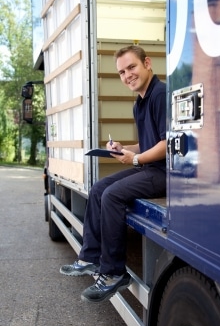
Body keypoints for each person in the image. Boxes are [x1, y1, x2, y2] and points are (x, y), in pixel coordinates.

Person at [60, 45, 166, 303]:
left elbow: (167, 143)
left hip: (166, 173)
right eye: (121, 72)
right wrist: (124, 149)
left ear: (147, 63)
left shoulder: (161, 94)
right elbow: (147, 143)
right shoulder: (139, 103)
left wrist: (136, 159)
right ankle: (90, 258)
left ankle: (114, 273)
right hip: (149, 167)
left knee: (112, 195)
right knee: (98, 189)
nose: (127, 75)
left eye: (132, 67)